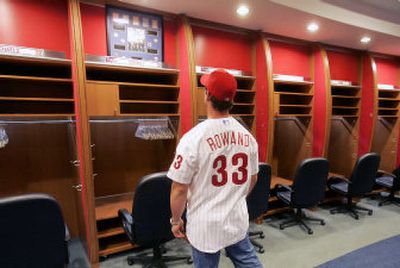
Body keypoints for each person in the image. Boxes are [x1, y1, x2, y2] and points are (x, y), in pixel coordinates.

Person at [168, 69, 262, 268]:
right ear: (232, 100)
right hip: (236, 217)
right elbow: (253, 178)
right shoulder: (247, 137)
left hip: (205, 225)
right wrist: (233, 198)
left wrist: (176, 220)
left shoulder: (193, 138)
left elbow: (179, 189)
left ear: (208, 95)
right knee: (248, 262)